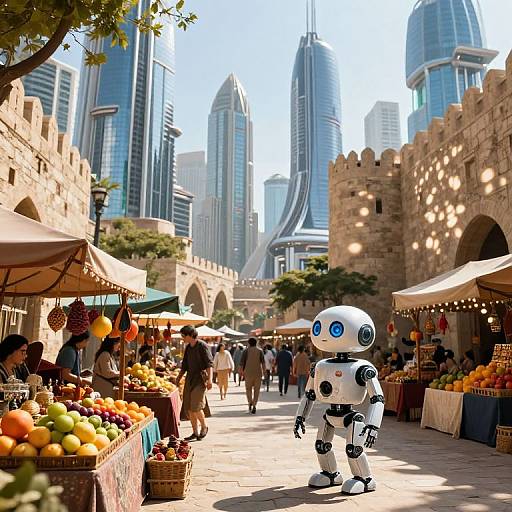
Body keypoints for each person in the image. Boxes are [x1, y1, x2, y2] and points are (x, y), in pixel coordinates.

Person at [176, 325, 213, 441]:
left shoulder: (202, 346)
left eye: (183, 335)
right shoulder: (188, 348)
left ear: (190, 335)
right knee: (190, 408)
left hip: (200, 380)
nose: (182, 338)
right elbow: (185, 366)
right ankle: (195, 432)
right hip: (190, 379)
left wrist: (210, 380)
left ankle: (204, 426)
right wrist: (178, 378)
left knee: (196, 406)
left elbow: (209, 364)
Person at [240, 338, 265, 414]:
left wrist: (241, 373)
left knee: (248, 389)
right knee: (257, 390)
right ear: (256, 343)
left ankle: (250, 402)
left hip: (248, 373)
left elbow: (241, 363)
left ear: (249, 343)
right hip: (258, 373)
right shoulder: (260, 351)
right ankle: (254, 405)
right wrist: (264, 372)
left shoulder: (245, 351)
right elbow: (263, 363)